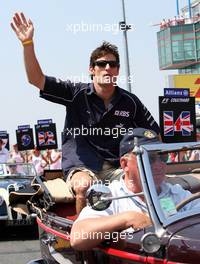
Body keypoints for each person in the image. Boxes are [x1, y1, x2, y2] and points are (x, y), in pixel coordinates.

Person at [11, 13, 160, 213]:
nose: (107, 68)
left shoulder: (130, 102)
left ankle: (142, 234)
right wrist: (27, 43)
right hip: (83, 166)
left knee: (147, 184)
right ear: (92, 69)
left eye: (113, 64)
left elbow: (154, 136)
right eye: (101, 64)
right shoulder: (75, 93)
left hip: (117, 166)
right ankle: (84, 237)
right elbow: (36, 79)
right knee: (84, 187)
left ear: (117, 70)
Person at [70, 128, 200, 250]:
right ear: (125, 164)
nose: (159, 165)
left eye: (163, 157)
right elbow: (77, 237)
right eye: (149, 158)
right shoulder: (112, 195)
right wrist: (128, 218)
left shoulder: (174, 193)